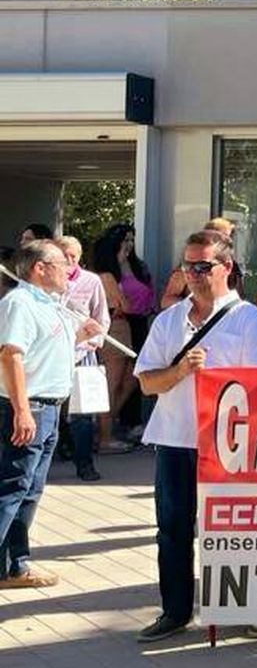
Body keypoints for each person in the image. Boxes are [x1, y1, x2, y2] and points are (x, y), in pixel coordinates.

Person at [134, 230, 257, 642]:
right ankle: (175, 611)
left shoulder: (246, 317)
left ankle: (251, 608)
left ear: (226, 268)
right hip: (176, 439)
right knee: (173, 529)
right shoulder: (169, 319)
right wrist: (180, 372)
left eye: (203, 266)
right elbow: (146, 383)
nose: (193, 274)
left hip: (228, 445)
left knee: (237, 530)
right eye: (187, 266)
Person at [0, 241, 104, 589]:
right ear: (39, 268)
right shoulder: (20, 303)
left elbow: (43, 349)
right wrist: (22, 410)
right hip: (31, 407)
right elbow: (11, 355)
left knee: (29, 489)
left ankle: (13, 566)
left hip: (48, 408)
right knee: (13, 489)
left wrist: (79, 336)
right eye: (61, 263)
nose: (69, 270)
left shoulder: (50, 305)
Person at [58, 236, 117, 482]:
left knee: (83, 414)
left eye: (74, 256)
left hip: (81, 354)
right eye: (65, 256)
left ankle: (85, 463)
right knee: (51, 411)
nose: (70, 261)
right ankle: (59, 450)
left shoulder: (91, 281)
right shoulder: (46, 281)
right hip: (53, 355)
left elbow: (102, 318)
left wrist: (92, 342)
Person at [92, 224, 157, 438]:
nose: (128, 245)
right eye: (124, 241)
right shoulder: (107, 273)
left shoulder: (137, 266)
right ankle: (104, 435)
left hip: (134, 324)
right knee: (113, 381)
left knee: (130, 379)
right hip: (115, 325)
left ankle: (106, 426)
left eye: (131, 240)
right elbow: (123, 305)